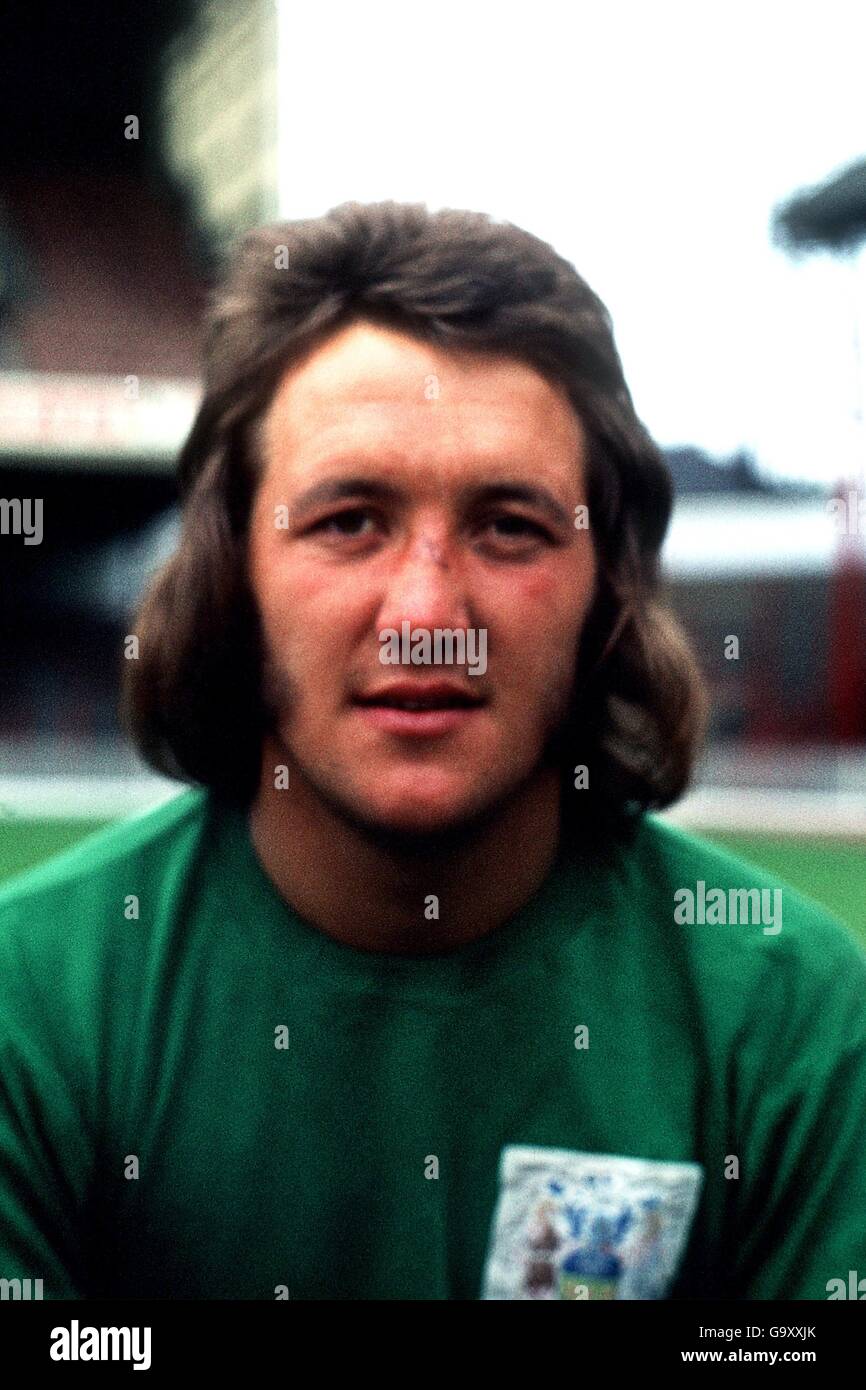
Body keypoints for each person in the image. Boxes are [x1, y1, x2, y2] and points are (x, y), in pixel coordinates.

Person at [1, 201, 865, 1301]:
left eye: (508, 525)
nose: (425, 612)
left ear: (608, 585)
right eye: (348, 520)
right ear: (231, 574)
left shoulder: (789, 1017)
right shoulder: (30, 1004)